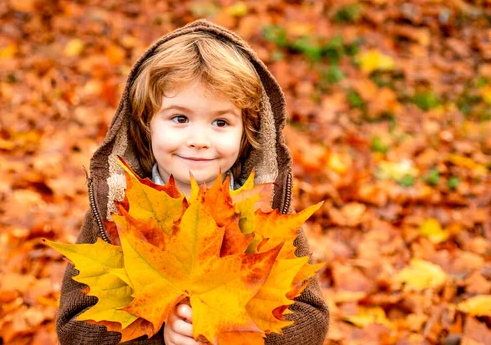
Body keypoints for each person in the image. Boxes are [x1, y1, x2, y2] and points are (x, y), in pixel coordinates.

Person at [57, 19, 329, 344]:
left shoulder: (261, 212)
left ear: (247, 131)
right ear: (146, 123)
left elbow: (311, 318)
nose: (199, 139)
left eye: (220, 122)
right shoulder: (118, 211)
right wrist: (158, 335)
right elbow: (74, 325)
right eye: (180, 118)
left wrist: (234, 332)